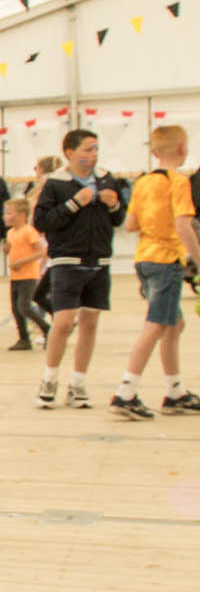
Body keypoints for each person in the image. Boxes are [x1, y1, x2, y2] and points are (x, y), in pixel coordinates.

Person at [110, 125, 200, 419]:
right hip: (166, 261)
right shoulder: (179, 182)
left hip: (144, 260)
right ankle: (126, 392)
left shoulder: (143, 182)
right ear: (183, 149)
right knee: (157, 325)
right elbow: (183, 226)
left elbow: (131, 225)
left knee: (174, 324)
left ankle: (175, 391)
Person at [34, 129, 125, 409]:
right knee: (63, 323)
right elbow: (42, 222)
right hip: (67, 262)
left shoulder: (107, 179)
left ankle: (78, 383)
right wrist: (74, 204)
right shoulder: (55, 183)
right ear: (69, 153)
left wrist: (115, 205)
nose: (93, 154)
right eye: (87, 149)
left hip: (99, 261)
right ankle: (49, 379)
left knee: (90, 323)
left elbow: (119, 219)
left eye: (96, 148)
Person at [3, 197, 50, 351]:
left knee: (24, 306)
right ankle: (24, 339)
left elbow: (40, 252)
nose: (6, 216)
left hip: (28, 275)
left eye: (9, 213)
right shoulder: (10, 233)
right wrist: (7, 249)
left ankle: (47, 329)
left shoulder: (29, 231)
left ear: (22, 215)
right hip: (15, 276)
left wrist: (22, 262)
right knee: (16, 309)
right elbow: (11, 248)